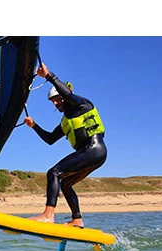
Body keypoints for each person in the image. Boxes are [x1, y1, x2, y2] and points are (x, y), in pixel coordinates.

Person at [23, 63, 107, 228]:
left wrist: (49, 76)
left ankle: (48, 215)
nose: (55, 103)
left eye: (57, 99)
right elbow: (50, 139)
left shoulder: (82, 104)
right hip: (93, 154)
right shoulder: (66, 121)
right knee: (66, 184)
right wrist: (34, 126)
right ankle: (77, 220)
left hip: (93, 149)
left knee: (53, 173)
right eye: (53, 101)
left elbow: (67, 94)